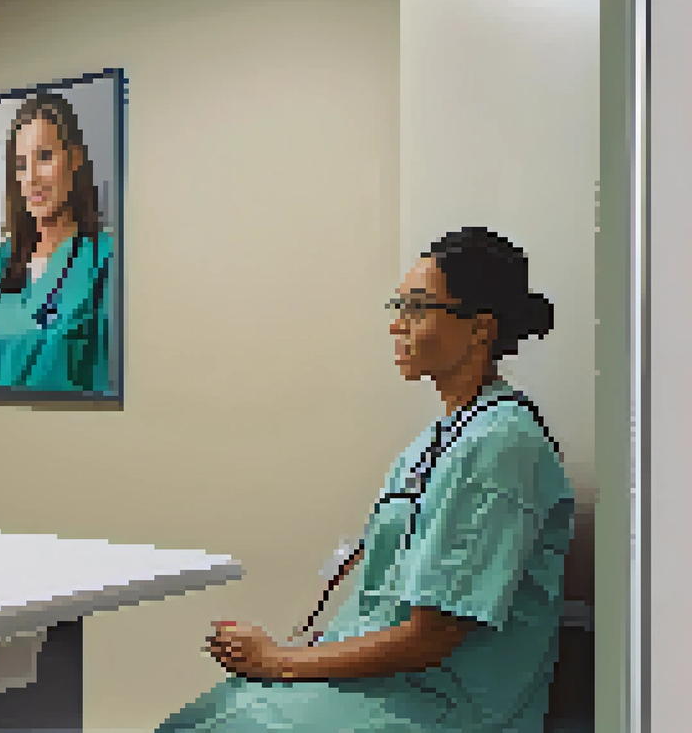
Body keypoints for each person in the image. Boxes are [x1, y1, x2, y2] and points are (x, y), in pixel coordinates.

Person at [156, 227, 575, 732]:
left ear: (480, 329)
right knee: (195, 721)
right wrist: (286, 659)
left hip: (444, 703)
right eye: (398, 306)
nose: (396, 325)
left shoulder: (502, 445)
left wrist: (279, 662)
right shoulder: (436, 441)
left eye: (417, 309)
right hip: (387, 683)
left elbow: (432, 637)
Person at [0, 92, 114, 393]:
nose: (31, 178)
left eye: (44, 157)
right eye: (21, 164)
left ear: (74, 159)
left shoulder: (104, 259)